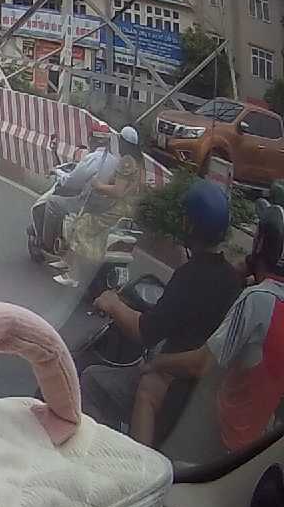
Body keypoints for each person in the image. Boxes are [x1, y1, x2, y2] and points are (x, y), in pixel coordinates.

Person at [81, 178, 243, 444]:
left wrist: (112, 303)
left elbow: (145, 332)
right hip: (198, 391)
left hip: (170, 382)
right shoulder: (231, 278)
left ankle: (111, 458)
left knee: (91, 381)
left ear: (189, 224)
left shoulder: (190, 276)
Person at [138, 199, 284, 453]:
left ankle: (139, 470)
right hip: (257, 433)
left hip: (221, 429)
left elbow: (201, 364)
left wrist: (157, 362)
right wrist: (249, 267)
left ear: (260, 243)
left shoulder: (256, 299)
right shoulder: (269, 298)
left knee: (148, 388)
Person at [53, 125, 145, 288]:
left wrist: (98, 185)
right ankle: (67, 260)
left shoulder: (126, 161)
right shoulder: (139, 163)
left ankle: (73, 275)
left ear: (123, 142)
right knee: (81, 219)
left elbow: (118, 191)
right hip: (127, 208)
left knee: (82, 226)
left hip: (116, 207)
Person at [36, 125, 117, 254]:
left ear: (91, 140)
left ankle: (47, 245)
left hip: (85, 204)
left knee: (52, 202)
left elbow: (72, 182)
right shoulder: (115, 162)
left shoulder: (92, 158)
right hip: (105, 207)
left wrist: (57, 173)